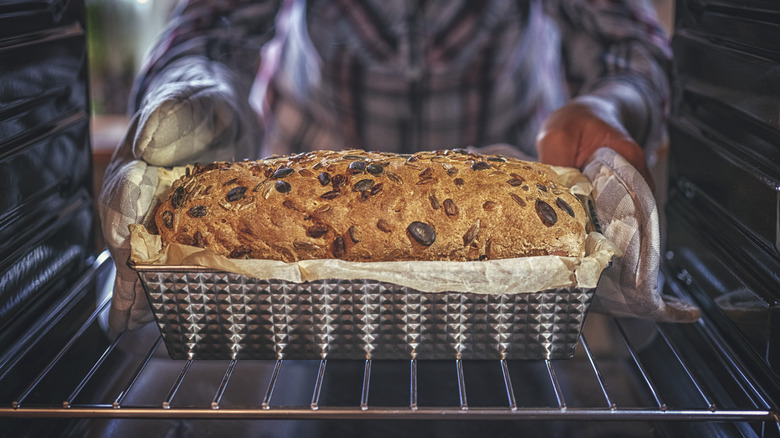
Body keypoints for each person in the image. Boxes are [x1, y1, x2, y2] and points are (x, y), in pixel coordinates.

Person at [100, 0, 674, 332]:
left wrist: (611, 106)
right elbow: (210, 24)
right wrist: (196, 92)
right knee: (306, 385)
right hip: (303, 190)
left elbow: (627, 38)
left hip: (517, 170)